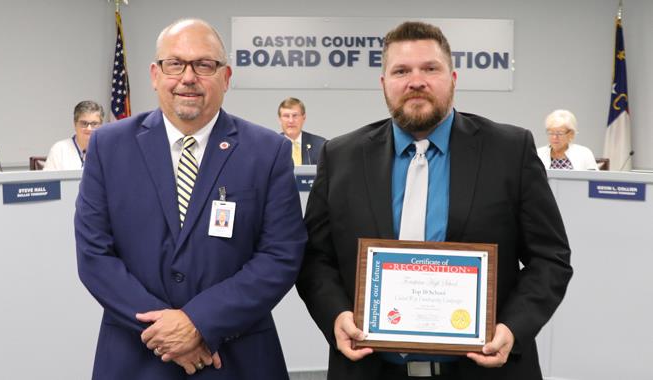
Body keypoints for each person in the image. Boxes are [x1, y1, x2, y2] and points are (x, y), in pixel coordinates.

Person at [296, 21, 573, 380]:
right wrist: (335, 315)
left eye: (430, 68)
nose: (416, 81)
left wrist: (513, 329)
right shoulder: (341, 156)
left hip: (485, 370)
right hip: (371, 370)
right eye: (401, 71)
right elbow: (314, 257)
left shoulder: (510, 150)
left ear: (453, 78)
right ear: (384, 84)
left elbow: (550, 258)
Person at [74, 18, 306, 380]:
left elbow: (281, 254)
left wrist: (199, 322)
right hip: (137, 354)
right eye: (175, 64)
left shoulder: (268, 152)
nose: (188, 77)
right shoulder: (109, 146)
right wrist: (166, 333)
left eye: (204, 65)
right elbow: (94, 255)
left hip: (236, 356)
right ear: (154, 74)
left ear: (226, 77)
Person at [43, 101, 104, 170]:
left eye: (94, 124)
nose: (89, 129)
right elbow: (49, 180)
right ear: (75, 124)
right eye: (84, 123)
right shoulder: (59, 149)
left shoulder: (109, 151)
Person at [278, 97, 326, 165]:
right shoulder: (272, 146)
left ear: (304, 118)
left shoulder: (320, 145)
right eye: (286, 116)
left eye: (295, 115)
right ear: (280, 119)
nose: (291, 121)